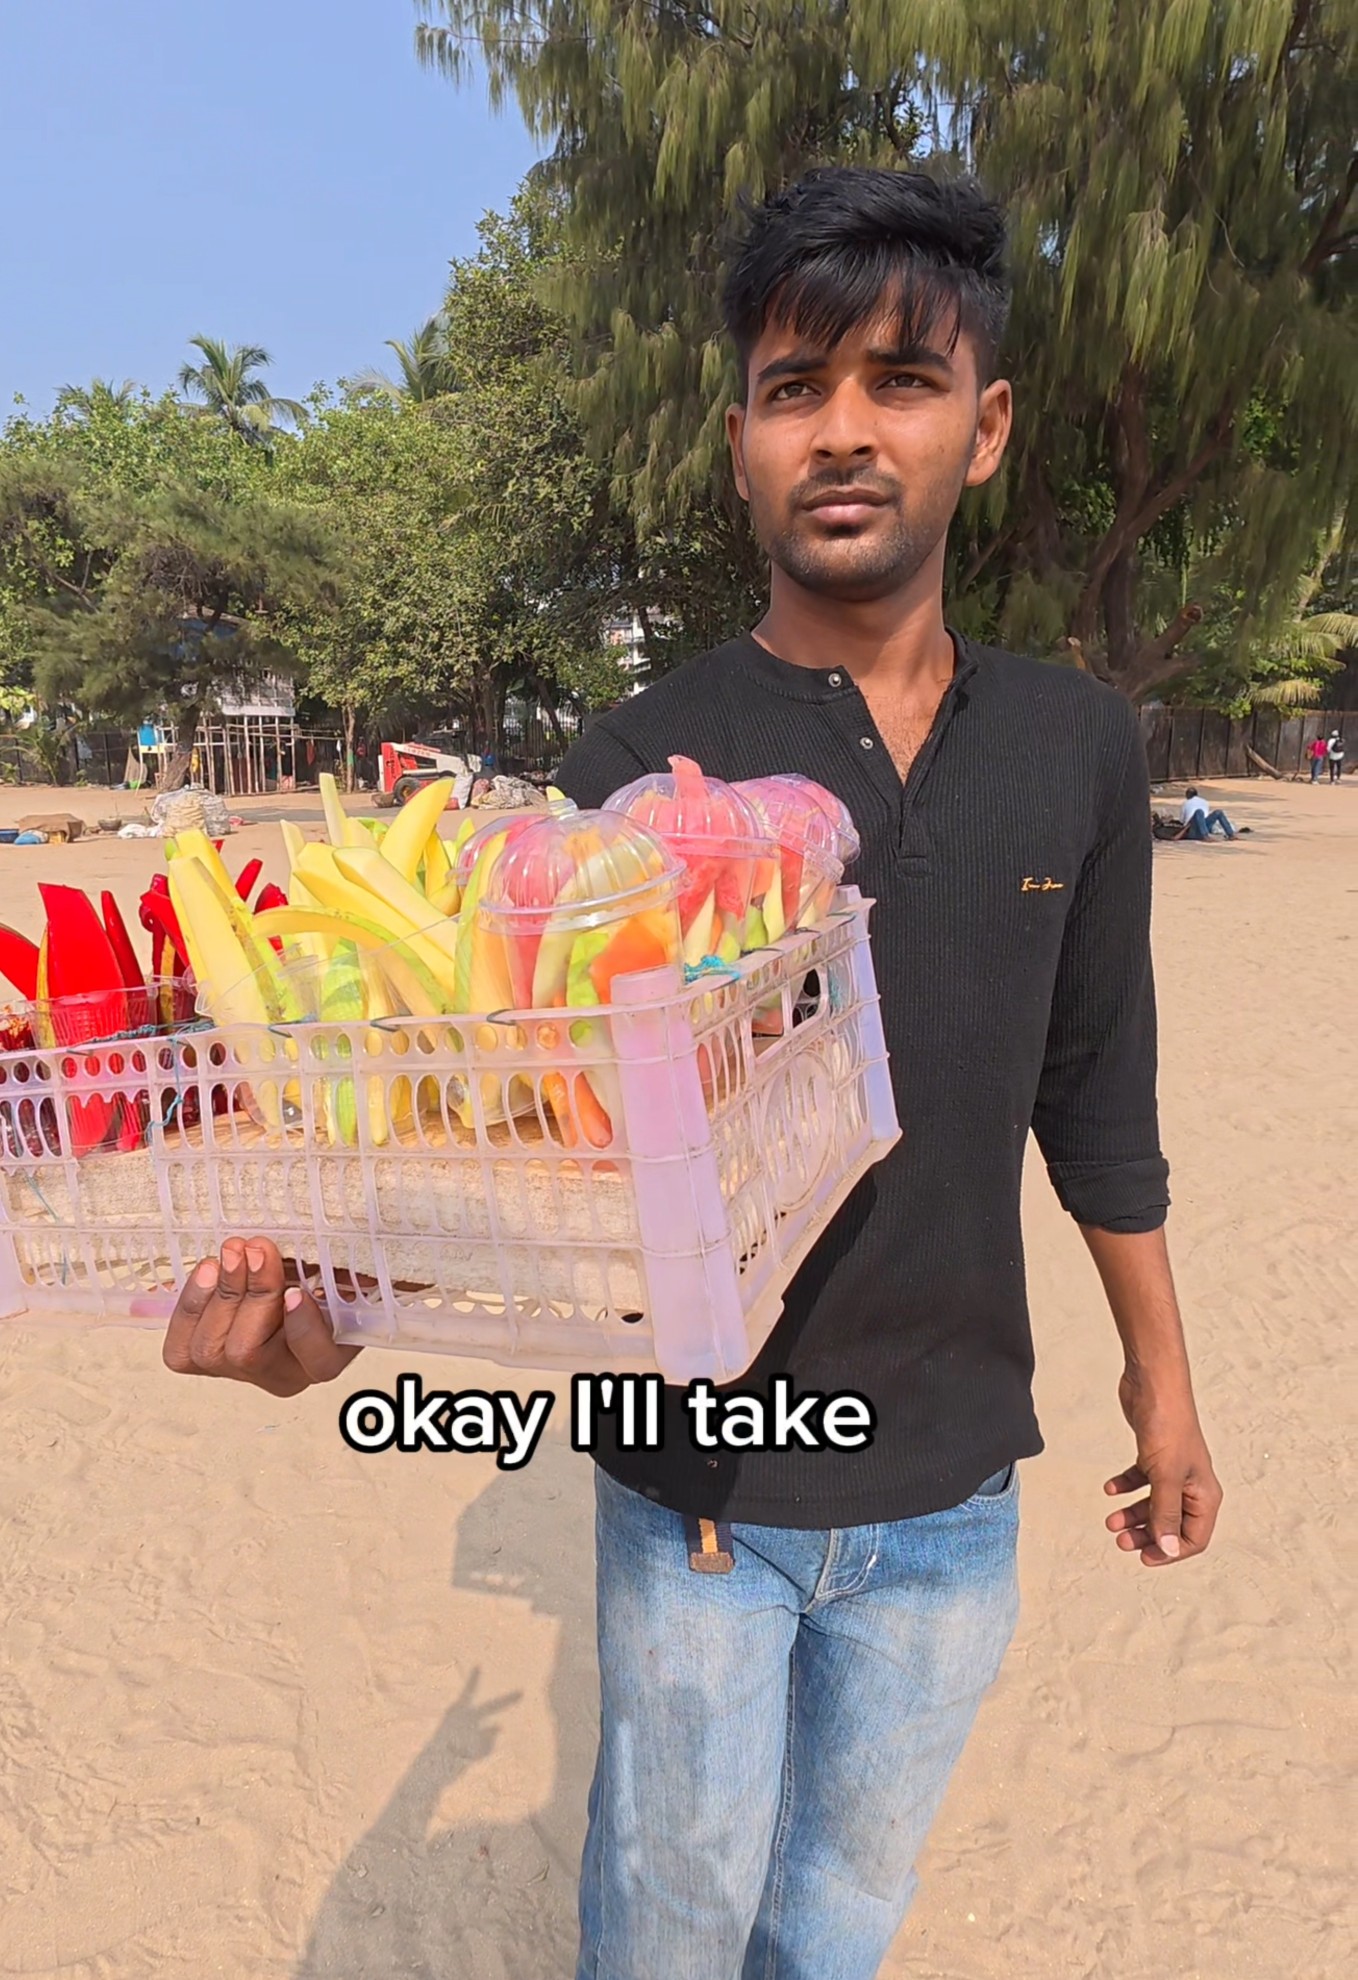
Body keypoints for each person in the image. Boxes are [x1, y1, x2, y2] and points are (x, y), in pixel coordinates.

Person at [161, 167, 1222, 1979]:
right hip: (700, 1496)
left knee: (837, 1923)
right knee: (661, 1931)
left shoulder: (1075, 747)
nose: (846, 430)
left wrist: (1165, 1391)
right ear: (739, 442)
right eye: (796, 389)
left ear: (987, 429)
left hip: (960, 1490)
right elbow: (505, 1129)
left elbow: (1094, 1094)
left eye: (902, 379)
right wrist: (313, 1336)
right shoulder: (634, 767)